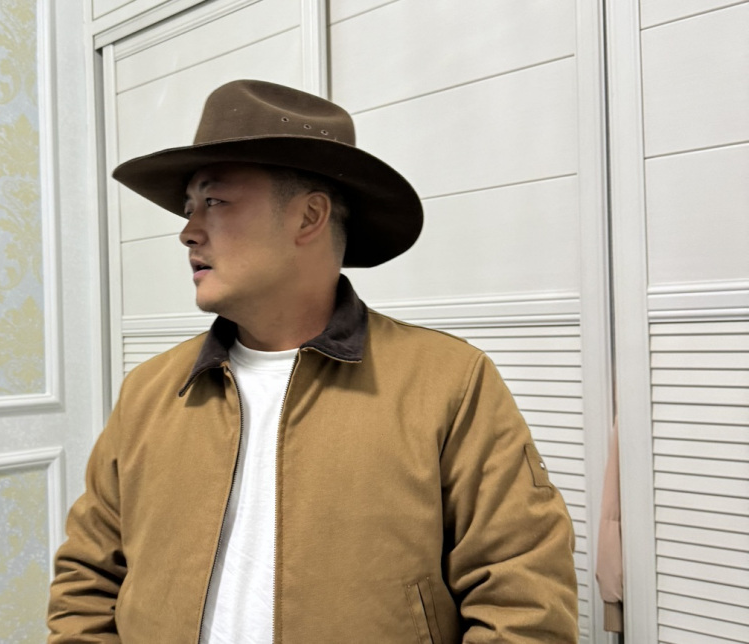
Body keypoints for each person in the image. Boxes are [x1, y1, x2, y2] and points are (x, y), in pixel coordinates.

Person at [48, 79, 578, 643]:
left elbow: (524, 602)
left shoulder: (448, 382)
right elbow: (88, 579)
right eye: (188, 208)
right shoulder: (151, 390)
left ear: (308, 217)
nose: (188, 232)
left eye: (215, 202)